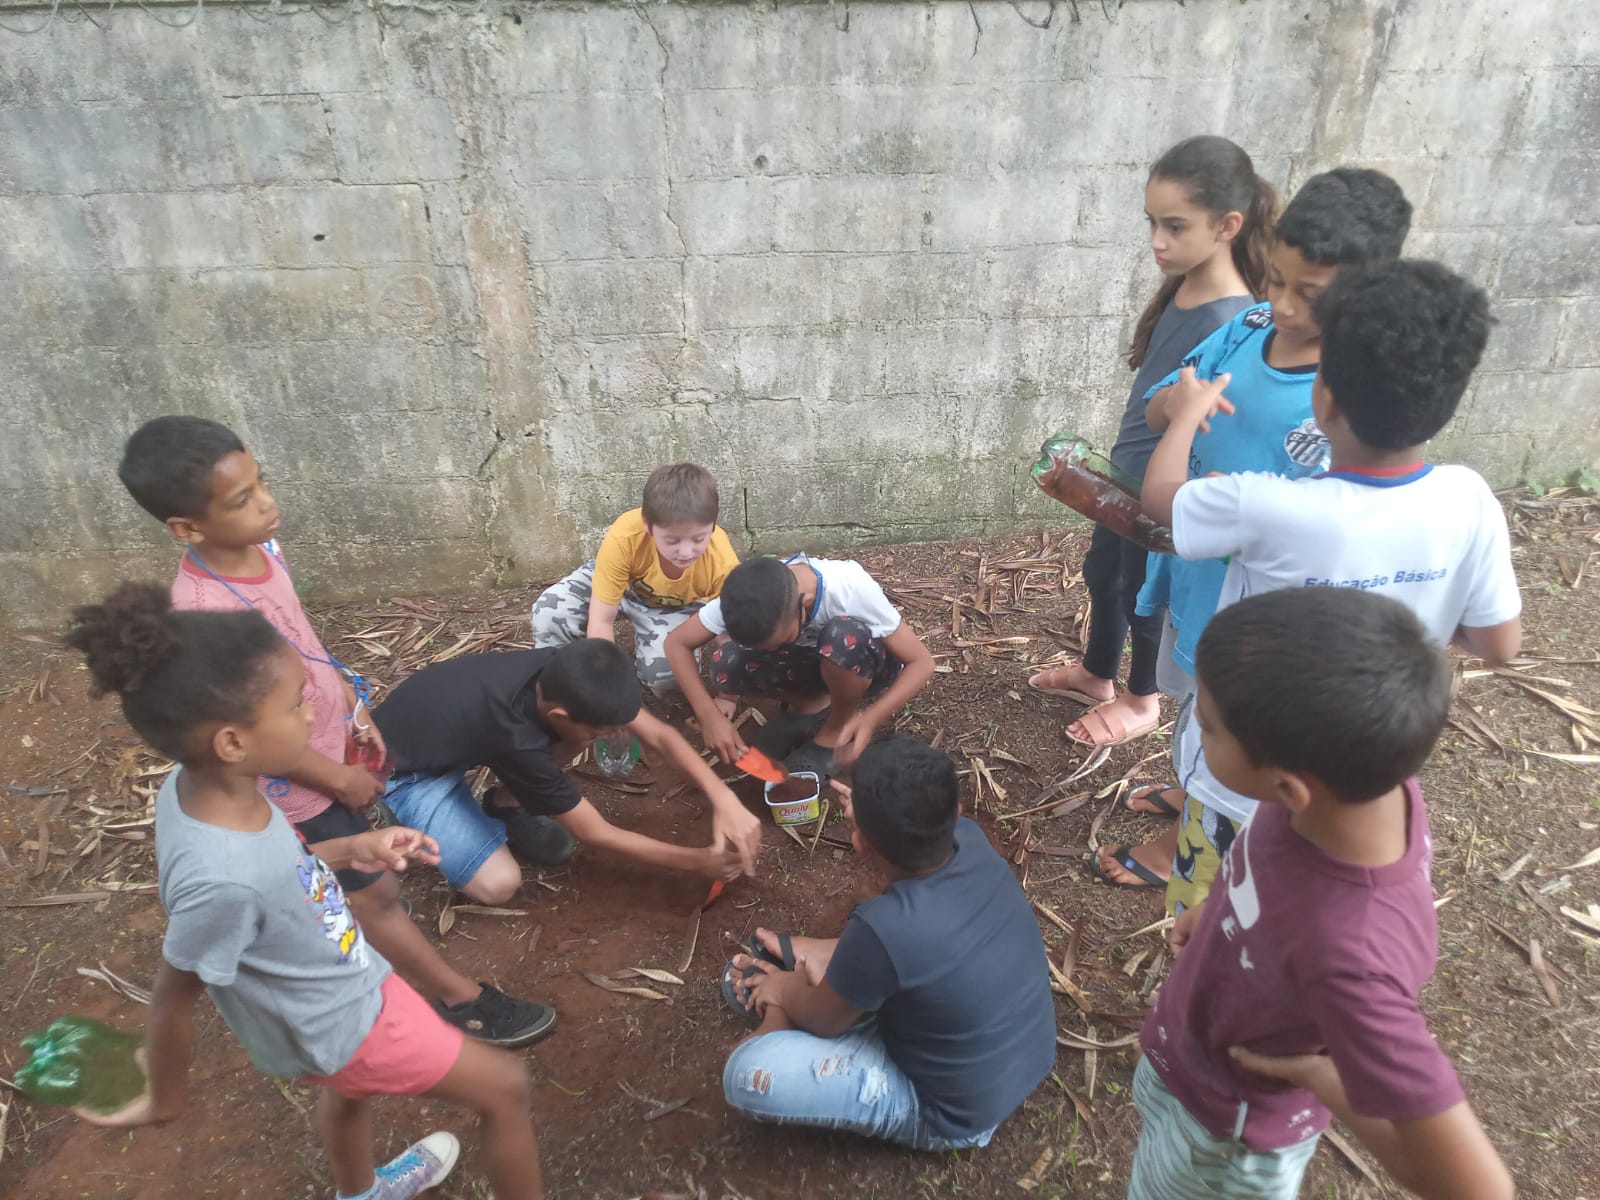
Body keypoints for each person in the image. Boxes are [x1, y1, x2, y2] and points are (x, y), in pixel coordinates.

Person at [64, 584, 544, 1200]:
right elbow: (174, 995)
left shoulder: (208, 791)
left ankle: (362, 1192)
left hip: (337, 974)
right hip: (346, 1022)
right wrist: (165, 1099)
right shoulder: (220, 880)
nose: (312, 714)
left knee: (348, 1095)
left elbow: (278, 868)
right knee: (505, 1088)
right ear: (233, 741)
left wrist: (350, 850)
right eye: (294, 706)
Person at [118, 416, 553, 1047]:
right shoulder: (201, 619)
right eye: (241, 500)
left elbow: (298, 642)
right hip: (296, 781)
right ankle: (456, 999)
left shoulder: (262, 551)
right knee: (371, 893)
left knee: (364, 876)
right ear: (186, 528)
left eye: (260, 481)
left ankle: (360, 916)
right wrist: (334, 778)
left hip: (325, 741)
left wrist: (348, 702)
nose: (267, 503)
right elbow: (244, 734)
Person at [1139, 257, 1521, 916]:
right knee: (1304, 908)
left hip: (1246, 770)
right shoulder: (1470, 498)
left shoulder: (1275, 507)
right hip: (1364, 779)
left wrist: (1184, 414)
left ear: (1325, 398)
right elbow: (1499, 643)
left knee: (1204, 921)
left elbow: (1160, 499)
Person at [1130, 587, 1515, 1200]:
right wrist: (1219, 908)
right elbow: (1275, 872)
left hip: (1223, 1137)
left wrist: (1327, 1080)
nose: (1195, 735)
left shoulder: (1352, 955)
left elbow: (1479, 1188)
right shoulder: (1359, 785)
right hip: (1194, 1056)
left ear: (1287, 785)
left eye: (1206, 726)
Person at [1094, 167, 1414, 893]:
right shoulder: (1246, 329)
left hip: (1260, 618)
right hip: (1191, 576)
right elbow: (1156, 412)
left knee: (1231, 728)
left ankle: (1193, 834)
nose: (1284, 306)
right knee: (1191, 700)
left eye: (1312, 296)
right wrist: (1174, 405)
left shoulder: (1347, 399)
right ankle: (1191, 784)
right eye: (1278, 280)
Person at [1029, 135, 1275, 753]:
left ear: (1228, 225)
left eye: (1174, 225)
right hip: (1127, 474)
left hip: (1164, 489)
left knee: (1144, 595)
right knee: (1103, 575)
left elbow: (1209, 427)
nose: (1157, 241)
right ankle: (1096, 674)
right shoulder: (1187, 284)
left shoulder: (1234, 320)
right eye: (1152, 224)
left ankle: (1142, 700)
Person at [720, 738, 1055, 1149]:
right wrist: (871, 816)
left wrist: (783, 992)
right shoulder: (969, 839)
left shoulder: (881, 928)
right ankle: (833, 968)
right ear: (956, 812)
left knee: (748, 1074)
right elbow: (915, 932)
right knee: (892, 952)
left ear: (861, 843)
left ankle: (782, 1012)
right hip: (1021, 1058)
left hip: (952, 1114)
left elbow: (824, 1022)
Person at [371, 639, 761, 882]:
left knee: (569, 743)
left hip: (447, 728)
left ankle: (505, 804)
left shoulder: (566, 669)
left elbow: (660, 734)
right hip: (403, 770)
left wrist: (723, 799)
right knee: (498, 884)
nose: (608, 738)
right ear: (558, 715)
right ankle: (404, 809)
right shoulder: (517, 739)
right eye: (599, 732)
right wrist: (698, 863)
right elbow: (597, 833)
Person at [663, 555, 936, 777]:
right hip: (817, 662)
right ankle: (812, 705)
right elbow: (676, 644)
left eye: (778, 641)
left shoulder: (850, 589)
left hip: (866, 666)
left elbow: (921, 662)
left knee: (843, 637)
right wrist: (708, 714)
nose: (771, 654)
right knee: (729, 661)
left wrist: (871, 718)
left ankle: (835, 729)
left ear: (803, 605)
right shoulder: (745, 596)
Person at [530, 463, 739, 706]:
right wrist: (605, 685)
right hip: (621, 586)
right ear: (648, 527)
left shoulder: (722, 562)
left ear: (712, 527)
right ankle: (562, 679)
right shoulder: (624, 536)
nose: (685, 551)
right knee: (549, 612)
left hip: (678, 605)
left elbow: (729, 634)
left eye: (698, 539)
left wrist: (729, 697)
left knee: (668, 678)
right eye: (672, 540)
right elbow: (602, 619)